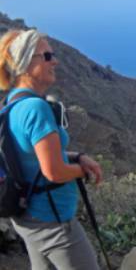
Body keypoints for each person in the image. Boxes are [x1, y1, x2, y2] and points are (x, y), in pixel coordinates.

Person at [0, 29, 103, 270]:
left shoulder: (12, 105)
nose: (54, 61)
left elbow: (28, 155)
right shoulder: (36, 108)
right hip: (53, 223)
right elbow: (53, 172)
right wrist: (85, 171)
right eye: (46, 56)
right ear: (25, 64)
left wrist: (78, 156)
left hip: (29, 218)